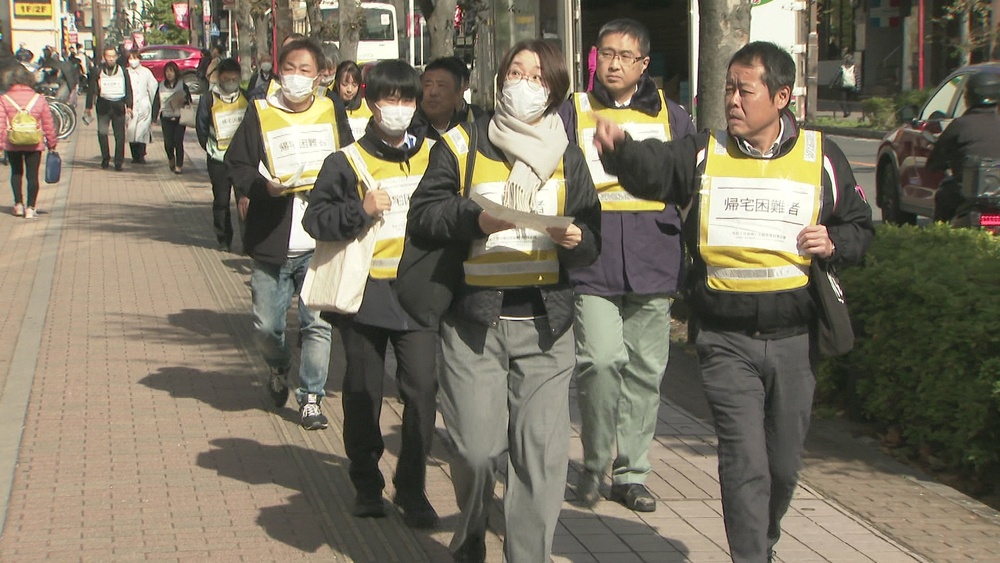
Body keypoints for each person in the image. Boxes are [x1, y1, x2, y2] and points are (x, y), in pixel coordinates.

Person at [591, 41, 875, 562]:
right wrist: (620, 149)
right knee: (745, 461)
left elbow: (860, 228)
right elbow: (656, 167)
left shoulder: (821, 156)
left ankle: (761, 540)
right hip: (725, 340)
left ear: (782, 97)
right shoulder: (705, 151)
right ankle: (750, 555)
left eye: (745, 91)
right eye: (728, 89)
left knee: (784, 466)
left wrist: (833, 243)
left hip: (795, 340)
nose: (733, 102)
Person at [407, 39, 602, 563]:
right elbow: (423, 216)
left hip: (546, 327)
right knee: (475, 449)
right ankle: (470, 536)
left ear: (555, 90)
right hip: (475, 324)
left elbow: (592, 231)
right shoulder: (464, 142)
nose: (524, 84)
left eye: (537, 78)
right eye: (516, 72)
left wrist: (579, 241)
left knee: (540, 460)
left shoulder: (567, 154)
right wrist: (476, 218)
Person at [557, 18, 694, 514]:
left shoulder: (674, 116)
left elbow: (686, 182)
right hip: (591, 259)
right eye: (605, 54)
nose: (613, 64)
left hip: (653, 257)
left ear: (643, 64)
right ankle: (594, 463)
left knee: (645, 370)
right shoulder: (572, 111)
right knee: (600, 360)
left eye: (624, 56)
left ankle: (631, 473)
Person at [302, 59, 439, 529]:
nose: (397, 108)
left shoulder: (433, 156)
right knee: (363, 393)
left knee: (422, 390)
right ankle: (366, 483)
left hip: (419, 295)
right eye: (388, 99)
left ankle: (413, 486)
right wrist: (358, 210)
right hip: (364, 295)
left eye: (406, 99)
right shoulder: (346, 161)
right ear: (370, 100)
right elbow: (315, 220)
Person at [225, 38, 340, 430]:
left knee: (317, 325)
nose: (295, 77)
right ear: (278, 71)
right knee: (267, 327)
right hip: (272, 239)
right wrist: (260, 188)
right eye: (289, 68)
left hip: (319, 243)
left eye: (305, 70)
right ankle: (278, 367)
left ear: (320, 75)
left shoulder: (330, 111)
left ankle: (311, 398)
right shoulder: (261, 113)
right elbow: (237, 163)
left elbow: (352, 161)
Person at [926, 71, 1000, 223]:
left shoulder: (960, 125)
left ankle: (942, 241)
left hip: (965, 194)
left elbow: (935, 161)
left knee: (943, 195)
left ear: (968, 97)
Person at [196, 58, 248, 251]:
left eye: (235, 78)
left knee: (245, 201)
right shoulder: (208, 99)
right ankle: (224, 239)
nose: (231, 82)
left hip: (242, 161)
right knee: (221, 201)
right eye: (227, 78)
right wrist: (209, 148)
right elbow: (201, 127)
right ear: (220, 77)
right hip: (218, 159)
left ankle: (247, 242)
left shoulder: (246, 97)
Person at [1, 65, 57, 219]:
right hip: (34, 142)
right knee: (33, 175)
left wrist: (1, 144)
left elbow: (1, 123)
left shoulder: (4, 99)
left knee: (16, 172)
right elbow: (48, 123)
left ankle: (18, 204)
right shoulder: (39, 99)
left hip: (13, 141)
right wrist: (52, 142)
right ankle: (31, 208)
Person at [411, 56, 484, 141]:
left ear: (459, 92)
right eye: (427, 85)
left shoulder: (478, 123)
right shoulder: (409, 127)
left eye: (441, 85)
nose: (433, 92)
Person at [85, 46, 133, 171]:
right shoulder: (98, 71)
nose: (111, 59)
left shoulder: (123, 71)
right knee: (102, 133)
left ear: (116, 57)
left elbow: (128, 89)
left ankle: (118, 162)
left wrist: (129, 106)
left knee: (120, 136)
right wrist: (88, 106)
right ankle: (105, 158)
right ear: (104, 57)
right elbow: (91, 89)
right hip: (103, 106)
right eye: (108, 56)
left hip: (118, 106)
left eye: (113, 56)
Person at [157, 62, 192, 174]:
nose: (169, 74)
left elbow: (189, 100)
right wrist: (154, 117)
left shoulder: (182, 85)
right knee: (168, 143)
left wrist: (182, 100)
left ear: (175, 72)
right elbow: (156, 102)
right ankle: (171, 158)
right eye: (167, 71)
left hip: (179, 118)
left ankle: (179, 165)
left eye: (171, 71)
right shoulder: (161, 85)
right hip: (166, 117)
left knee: (178, 141)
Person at [125, 50, 158, 164]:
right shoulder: (126, 72)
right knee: (131, 131)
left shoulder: (146, 72)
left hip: (144, 105)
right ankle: (135, 155)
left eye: (135, 58)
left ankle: (141, 154)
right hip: (130, 106)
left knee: (142, 131)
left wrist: (154, 105)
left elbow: (153, 88)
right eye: (130, 58)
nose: (133, 61)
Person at [333, 60, 371, 140]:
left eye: (354, 85)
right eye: (345, 84)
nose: (349, 90)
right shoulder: (328, 106)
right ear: (337, 83)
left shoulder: (367, 107)